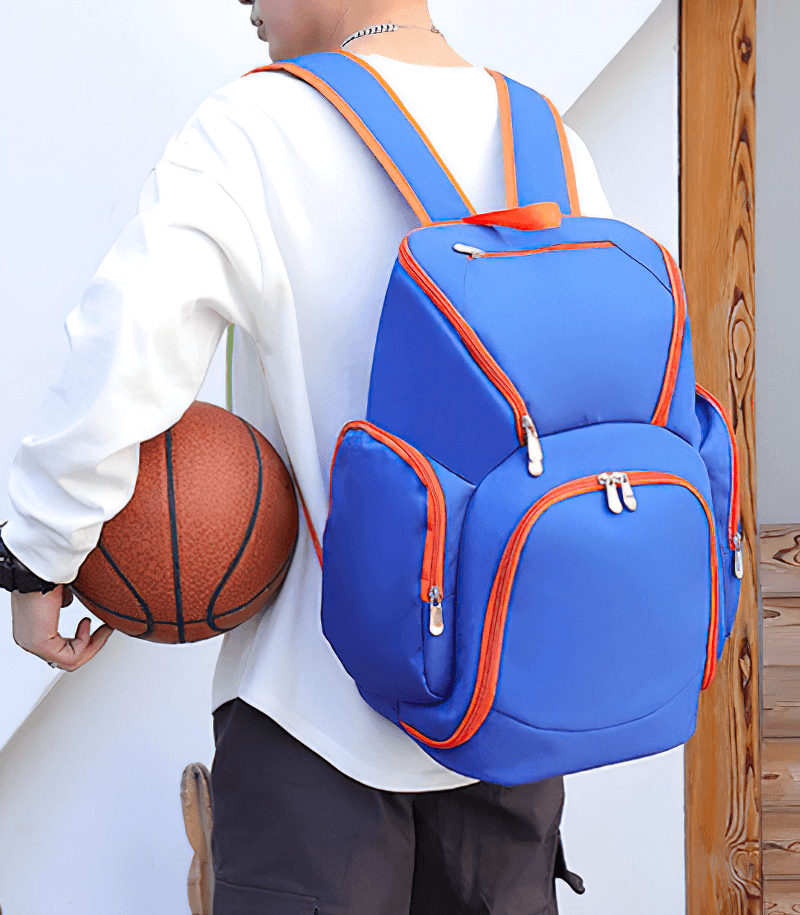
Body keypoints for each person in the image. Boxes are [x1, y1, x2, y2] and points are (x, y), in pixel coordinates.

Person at [2, 0, 614, 911]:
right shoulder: (551, 140)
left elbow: (121, 350)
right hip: (510, 716)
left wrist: (38, 556)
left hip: (315, 722)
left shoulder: (258, 126)